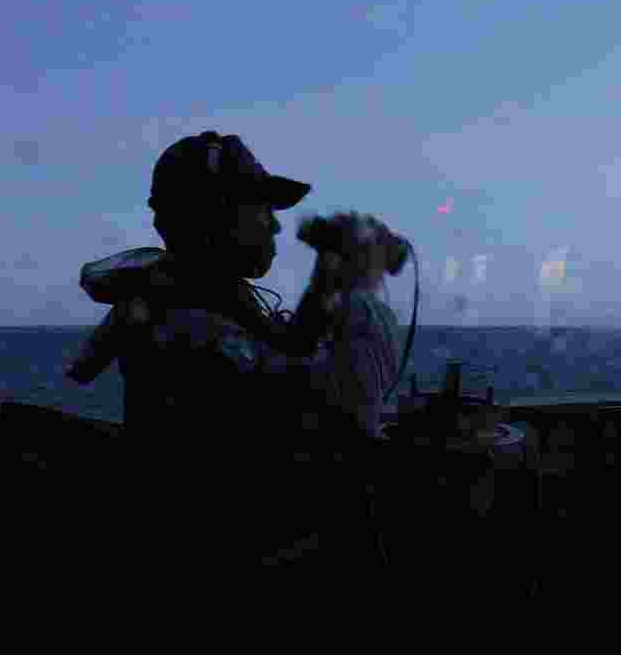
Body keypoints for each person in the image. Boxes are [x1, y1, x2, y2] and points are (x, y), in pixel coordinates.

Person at [65, 130, 402, 567]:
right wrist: (362, 284)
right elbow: (346, 418)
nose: (277, 224)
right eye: (263, 208)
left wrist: (328, 274)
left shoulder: (200, 300)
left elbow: (289, 349)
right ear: (217, 216)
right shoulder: (190, 329)